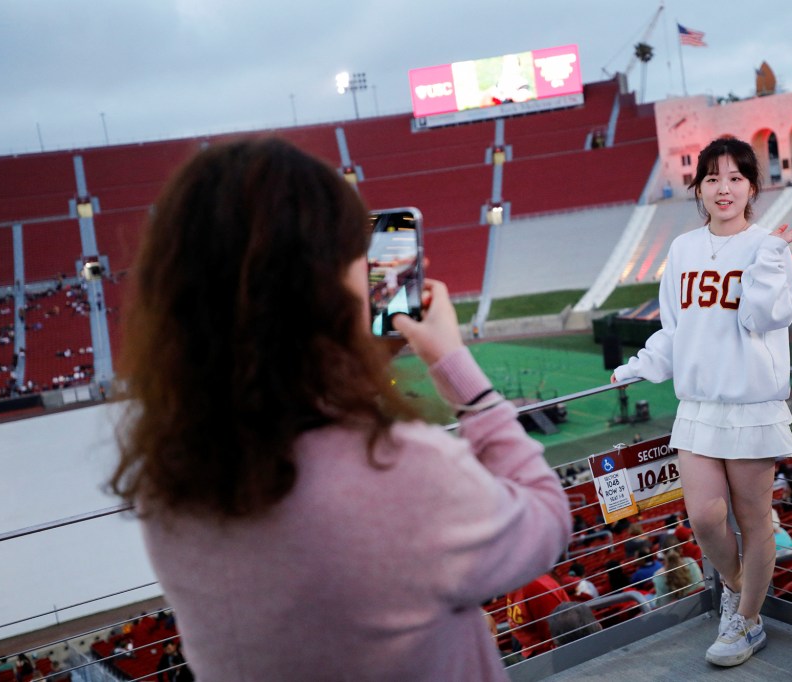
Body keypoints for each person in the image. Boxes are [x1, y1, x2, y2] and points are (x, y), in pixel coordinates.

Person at [110, 138, 572, 680]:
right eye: (358, 251)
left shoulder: (170, 486)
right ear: (318, 284)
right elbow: (545, 519)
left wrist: (357, 362)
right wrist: (458, 372)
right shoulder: (401, 467)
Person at [611, 136, 792, 667]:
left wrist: (767, 260)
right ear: (699, 187)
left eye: (736, 178)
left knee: (754, 520)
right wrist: (642, 365)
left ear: (751, 187)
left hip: (750, 405)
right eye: (713, 178)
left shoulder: (769, 245)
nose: (724, 189)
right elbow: (675, 329)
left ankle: (745, 622)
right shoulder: (683, 249)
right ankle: (739, 591)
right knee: (703, 517)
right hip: (697, 404)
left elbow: (763, 319)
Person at [505, 573, 568, 658]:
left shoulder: (536, 587)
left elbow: (554, 637)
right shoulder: (514, 582)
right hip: (530, 650)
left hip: (546, 656)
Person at [652, 533, 704, 607]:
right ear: (680, 549)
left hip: (677, 615)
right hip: (701, 605)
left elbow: (662, 606)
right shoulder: (691, 562)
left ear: (663, 553)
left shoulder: (658, 576)